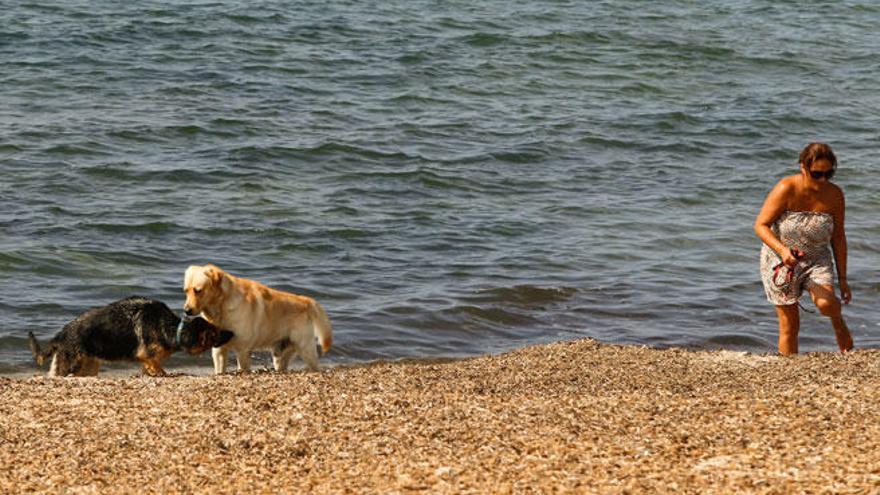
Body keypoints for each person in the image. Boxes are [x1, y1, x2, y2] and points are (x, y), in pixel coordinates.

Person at [754, 142, 853, 355]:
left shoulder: (835, 195)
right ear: (803, 167)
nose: (823, 180)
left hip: (817, 258)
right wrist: (782, 251)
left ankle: (838, 322)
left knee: (827, 303)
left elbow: (838, 237)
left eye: (829, 173)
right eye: (817, 174)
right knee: (790, 326)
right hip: (780, 262)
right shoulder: (786, 188)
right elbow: (760, 225)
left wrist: (843, 279)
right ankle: (789, 370)